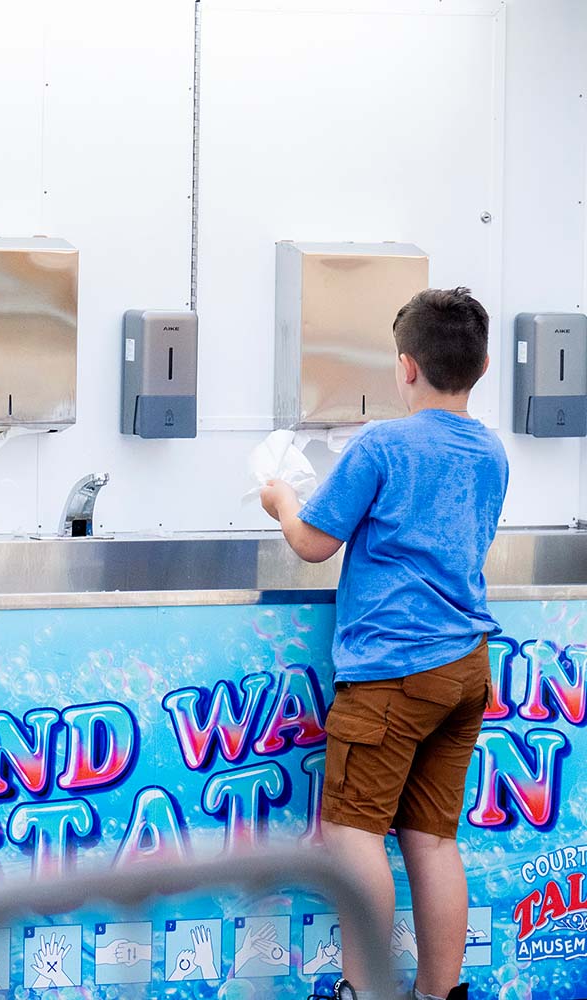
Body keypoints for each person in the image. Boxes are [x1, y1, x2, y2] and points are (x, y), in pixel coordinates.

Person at [261, 288, 508, 1000]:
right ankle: (437, 994)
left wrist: (280, 500)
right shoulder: (491, 452)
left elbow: (312, 543)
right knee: (432, 839)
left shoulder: (383, 445)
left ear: (405, 368)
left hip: (394, 674)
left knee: (351, 836)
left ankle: (366, 992)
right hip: (466, 668)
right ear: (484, 365)